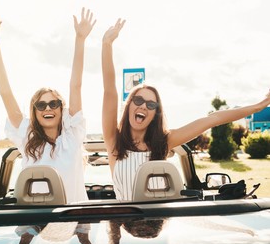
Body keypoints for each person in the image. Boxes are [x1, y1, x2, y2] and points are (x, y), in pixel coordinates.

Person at [101, 19, 270, 201]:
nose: (143, 105)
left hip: (161, 225)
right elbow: (110, 91)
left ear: (154, 115)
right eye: (139, 99)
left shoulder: (164, 142)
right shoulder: (114, 141)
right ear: (129, 105)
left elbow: (212, 119)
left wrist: (259, 106)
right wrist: (106, 45)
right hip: (124, 224)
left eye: (151, 104)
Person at [0, 9, 96, 204]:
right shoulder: (27, 136)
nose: (47, 108)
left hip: (74, 224)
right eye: (41, 105)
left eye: (53, 103)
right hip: (33, 224)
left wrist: (80, 39)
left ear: (61, 109)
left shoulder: (73, 134)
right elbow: (5, 92)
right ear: (34, 111)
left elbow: (76, 85)